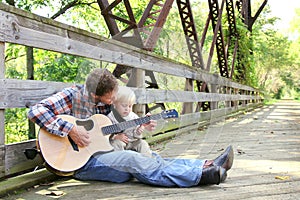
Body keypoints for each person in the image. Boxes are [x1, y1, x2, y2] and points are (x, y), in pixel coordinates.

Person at [28, 68, 234, 187]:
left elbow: (117, 129)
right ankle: (200, 177)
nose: (114, 98)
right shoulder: (72, 96)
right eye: (111, 95)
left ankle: (204, 165)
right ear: (94, 94)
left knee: (150, 158)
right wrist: (71, 130)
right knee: (132, 159)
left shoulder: (105, 106)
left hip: (104, 154)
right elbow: (36, 111)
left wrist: (141, 124)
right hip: (77, 164)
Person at [107, 86, 153, 157]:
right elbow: (106, 133)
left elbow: (136, 134)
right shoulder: (110, 117)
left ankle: (146, 161)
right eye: (124, 106)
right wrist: (115, 137)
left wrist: (139, 130)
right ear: (114, 104)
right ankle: (120, 163)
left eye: (130, 106)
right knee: (115, 144)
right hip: (120, 142)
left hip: (133, 142)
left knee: (143, 143)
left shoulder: (133, 116)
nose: (127, 109)